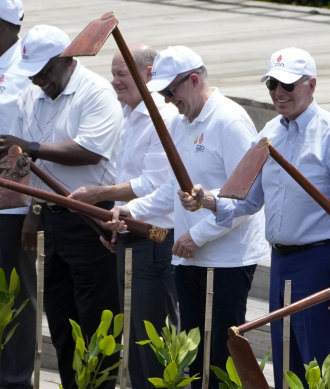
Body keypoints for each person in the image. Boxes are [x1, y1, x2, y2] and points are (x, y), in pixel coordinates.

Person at [181, 47, 330, 389]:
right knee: (286, 362)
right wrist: (206, 199)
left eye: (288, 85)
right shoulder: (269, 132)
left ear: (311, 85)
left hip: (320, 263)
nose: (279, 93)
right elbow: (246, 200)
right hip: (281, 261)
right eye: (272, 84)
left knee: (320, 367)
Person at [107, 45, 269, 389]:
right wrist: (131, 209)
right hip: (188, 258)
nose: (167, 100)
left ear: (194, 80)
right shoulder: (181, 123)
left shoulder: (230, 120)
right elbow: (171, 188)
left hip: (226, 259)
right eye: (162, 92)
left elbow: (247, 198)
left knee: (221, 357)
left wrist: (199, 235)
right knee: (194, 358)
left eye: (171, 91)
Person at [0, 25, 124, 389]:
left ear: (66, 59)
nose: (38, 80)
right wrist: (31, 210)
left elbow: (89, 149)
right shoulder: (32, 95)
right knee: (61, 316)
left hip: (92, 220)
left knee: (95, 318)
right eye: (33, 73)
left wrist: (31, 146)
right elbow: (27, 162)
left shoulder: (95, 92)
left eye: (44, 71)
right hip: (52, 218)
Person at [69, 43, 179, 389]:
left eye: (121, 74)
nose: (114, 81)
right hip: (130, 230)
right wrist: (114, 218)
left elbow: (154, 183)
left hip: (157, 236)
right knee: (132, 334)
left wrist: (101, 195)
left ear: (148, 74)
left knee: (153, 335)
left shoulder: (163, 116)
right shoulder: (130, 114)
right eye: (113, 73)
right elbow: (125, 175)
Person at [0, 1, 36, 388]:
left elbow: (35, 141)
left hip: (11, 207)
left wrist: (34, 208)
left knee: (15, 297)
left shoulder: (25, 71)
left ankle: (14, 380)